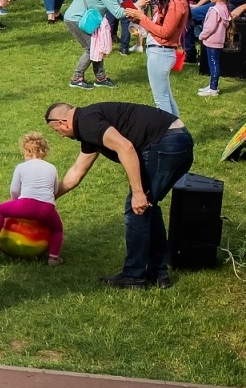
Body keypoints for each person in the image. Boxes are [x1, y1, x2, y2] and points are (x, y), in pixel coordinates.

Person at [46, 100, 193, 289]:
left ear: (63, 122)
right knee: (147, 206)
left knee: (136, 208)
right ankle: (158, 273)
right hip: (180, 141)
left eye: (57, 131)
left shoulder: (87, 123)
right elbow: (76, 172)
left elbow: (126, 148)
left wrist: (138, 192)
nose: (61, 136)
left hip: (165, 143)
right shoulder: (89, 125)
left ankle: (134, 276)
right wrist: (46, 199)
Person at [0, 132, 68, 265]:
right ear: (44, 151)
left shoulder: (21, 167)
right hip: (47, 208)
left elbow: (14, 190)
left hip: (26, 205)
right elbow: (55, 190)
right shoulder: (52, 168)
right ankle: (53, 257)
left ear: (26, 151)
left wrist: (15, 202)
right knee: (57, 229)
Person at [131, 0, 188, 116]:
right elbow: (158, 26)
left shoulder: (176, 3)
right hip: (159, 51)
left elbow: (165, 32)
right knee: (166, 97)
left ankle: (169, 134)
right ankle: (177, 130)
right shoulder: (173, 0)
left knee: (161, 99)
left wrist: (143, 18)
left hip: (161, 52)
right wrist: (139, 18)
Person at [62, 0, 132, 89]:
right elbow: (119, 14)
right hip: (75, 20)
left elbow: (122, 5)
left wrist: (136, 8)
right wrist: (138, 6)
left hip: (83, 20)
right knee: (91, 49)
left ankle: (100, 78)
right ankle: (76, 79)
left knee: (96, 48)